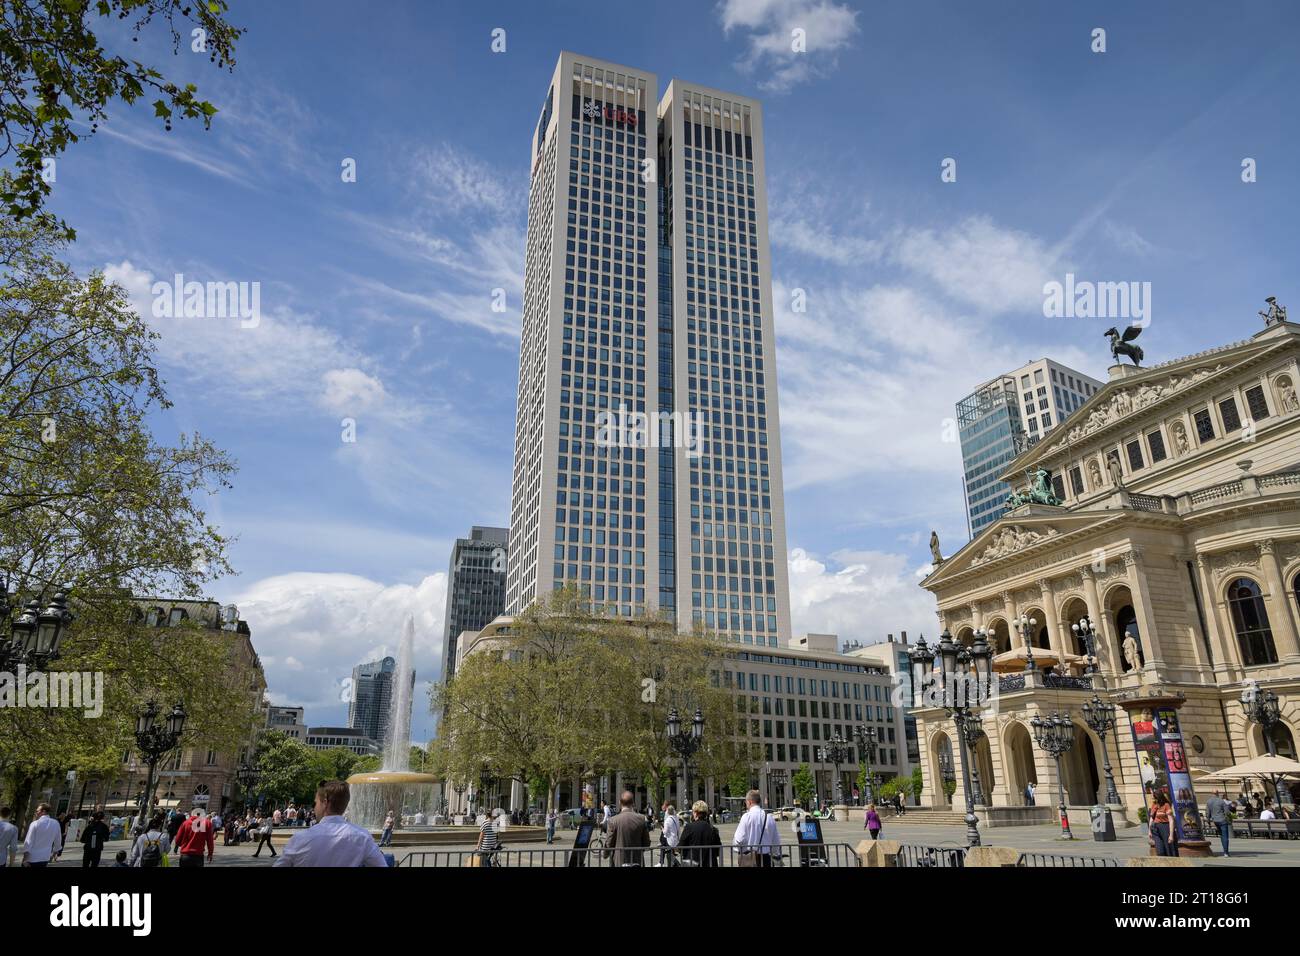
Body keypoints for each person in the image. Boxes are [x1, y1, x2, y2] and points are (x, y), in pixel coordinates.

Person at [733, 789, 780, 866]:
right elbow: (776, 841)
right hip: (766, 858)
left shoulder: (746, 817)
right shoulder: (769, 817)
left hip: (749, 858)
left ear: (749, 801)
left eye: (746, 802)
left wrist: (737, 849)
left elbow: (739, 839)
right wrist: (775, 854)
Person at [604, 791, 650, 867]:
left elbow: (609, 843)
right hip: (637, 860)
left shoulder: (613, 820)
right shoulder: (641, 819)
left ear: (620, 803)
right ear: (633, 803)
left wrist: (605, 854)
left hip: (619, 861)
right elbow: (646, 843)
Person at [678, 800, 720, 867]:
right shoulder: (713, 829)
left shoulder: (689, 827)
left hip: (693, 862)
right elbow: (718, 850)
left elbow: (681, 845)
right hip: (710, 863)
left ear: (695, 813)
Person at [22, 803, 63, 867]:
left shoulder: (35, 823)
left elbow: (28, 842)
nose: (36, 813)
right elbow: (58, 841)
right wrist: (53, 854)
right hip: (45, 858)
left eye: (37, 811)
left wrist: (25, 859)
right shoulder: (56, 823)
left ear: (43, 811)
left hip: (32, 858)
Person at [1206, 790, 1232, 857]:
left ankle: (1225, 849)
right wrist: (1229, 818)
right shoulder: (1221, 801)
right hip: (1222, 820)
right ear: (1217, 793)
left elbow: (1207, 813)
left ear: (1212, 793)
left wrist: (1208, 821)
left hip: (1215, 821)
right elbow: (1227, 812)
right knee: (1225, 836)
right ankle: (1226, 852)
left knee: (1221, 835)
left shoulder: (1209, 801)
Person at [1149, 792, 1176, 857]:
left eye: (1154, 798)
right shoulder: (1154, 805)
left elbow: (1171, 820)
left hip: (1165, 827)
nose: (1153, 799)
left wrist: (1171, 835)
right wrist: (1149, 831)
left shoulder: (1166, 805)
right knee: (1160, 851)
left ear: (1159, 798)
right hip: (1155, 828)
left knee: (1169, 849)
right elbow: (1151, 818)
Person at [659, 801, 680, 866]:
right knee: (669, 854)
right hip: (674, 838)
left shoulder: (668, 819)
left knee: (669, 854)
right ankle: (673, 863)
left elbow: (665, 831)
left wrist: (662, 829)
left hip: (669, 839)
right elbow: (678, 829)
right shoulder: (675, 817)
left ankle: (675, 863)